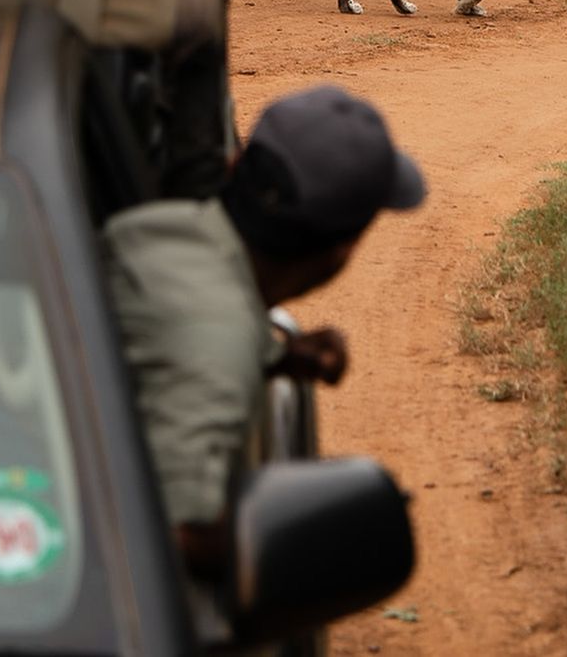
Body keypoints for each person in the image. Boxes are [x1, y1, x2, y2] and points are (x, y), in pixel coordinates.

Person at [102, 84, 426, 582]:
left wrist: (274, 354)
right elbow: (174, 534)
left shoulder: (156, 226)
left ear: (236, 168)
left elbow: (165, 341)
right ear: (342, 249)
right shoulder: (218, 338)